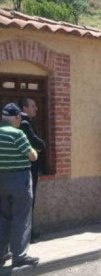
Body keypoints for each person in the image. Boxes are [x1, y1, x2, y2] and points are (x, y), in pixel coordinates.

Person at [0, 103, 39, 268]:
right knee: (21, 218)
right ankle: (20, 256)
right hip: (19, 179)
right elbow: (32, 156)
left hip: (2, 179)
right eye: (19, 118)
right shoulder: (18, 134)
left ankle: (2, 253)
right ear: (16, 118)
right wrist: (35, 151)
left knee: (3, 217)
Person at [18, 98, 46, 242]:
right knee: (28, 202)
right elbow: (37, 142)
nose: (36, 109)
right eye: (33, 106)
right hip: (28, 169)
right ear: (24, 108)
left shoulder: (23, 122)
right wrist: (41, 145)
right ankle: (27, 236)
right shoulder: (24, 124)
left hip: (26, 169)